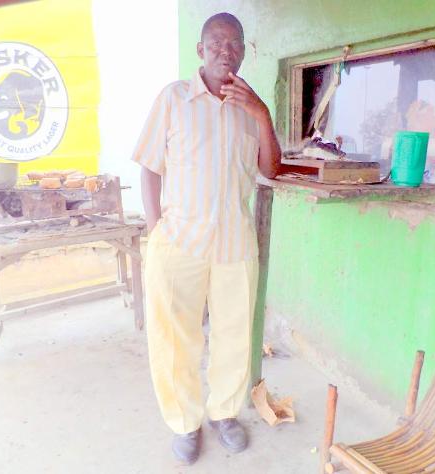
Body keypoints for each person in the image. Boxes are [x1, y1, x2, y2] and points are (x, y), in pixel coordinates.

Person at [131, 12, 283, 465]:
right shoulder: (174, 99)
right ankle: (184, 421)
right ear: (200, 50)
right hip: (180, 241)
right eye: (216, 42)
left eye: (234, 44)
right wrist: (157, 229)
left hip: (235, 243)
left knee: (235, 334)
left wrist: (262, 112)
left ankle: (225, 414)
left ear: (244, 52)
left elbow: (271, 169)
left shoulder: (251, 109)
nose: (225, 51)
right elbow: (150, 167)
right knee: (175, 337)